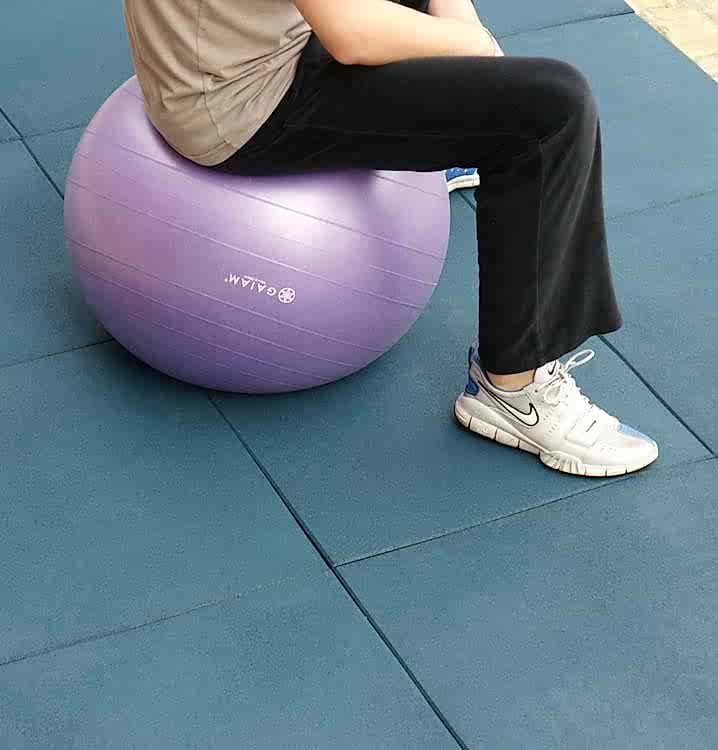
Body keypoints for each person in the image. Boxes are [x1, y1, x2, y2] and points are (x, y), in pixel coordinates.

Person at [122, 0, 659, 477]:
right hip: (240, 103)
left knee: (481, 68)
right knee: (554, 112)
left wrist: (475, 58)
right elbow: (351, 33)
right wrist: (472, 46)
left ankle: (458, 141)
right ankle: (514, 391)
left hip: (237, 48)